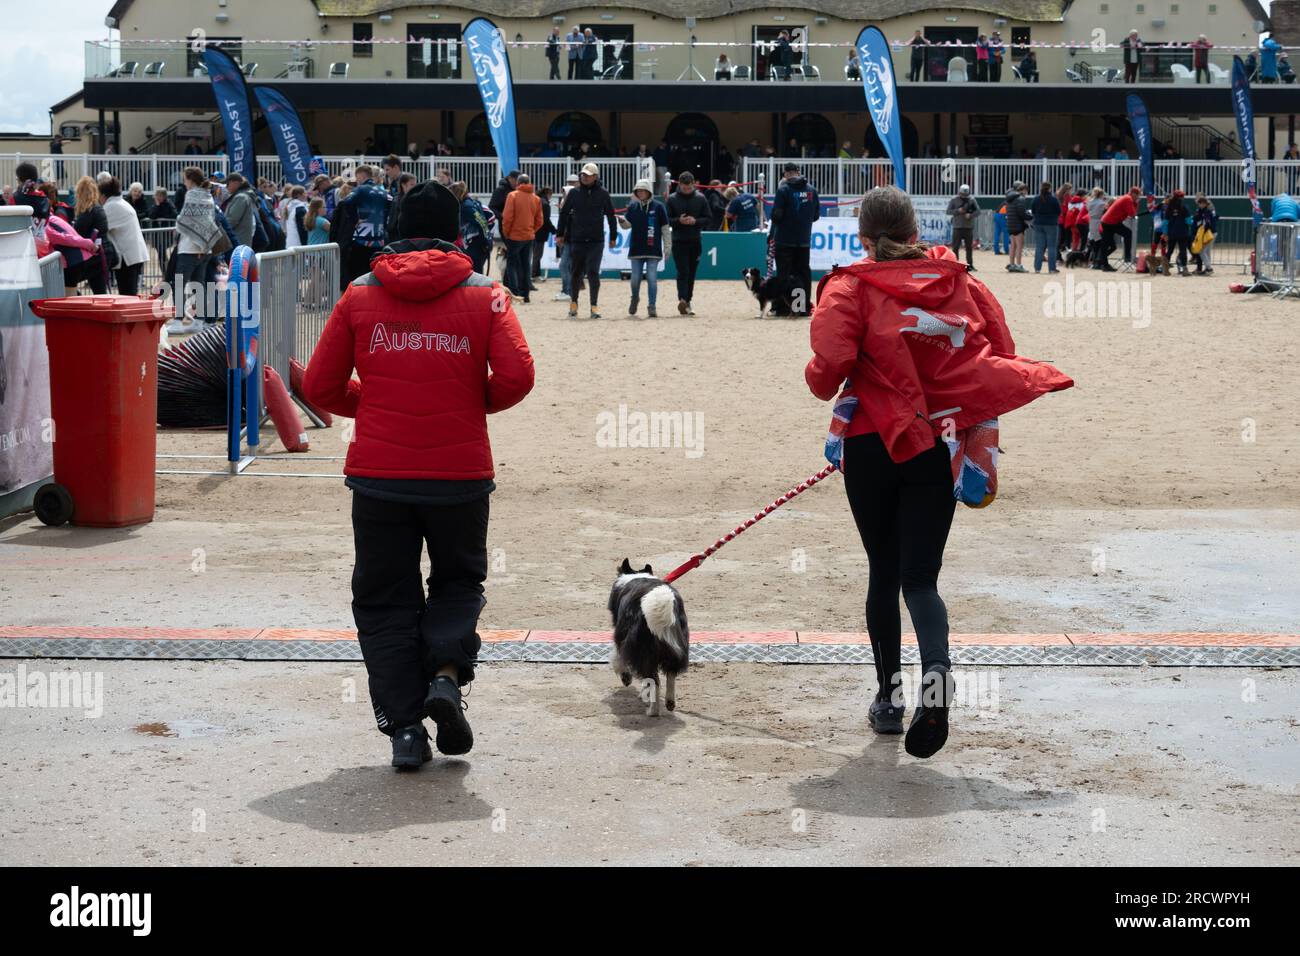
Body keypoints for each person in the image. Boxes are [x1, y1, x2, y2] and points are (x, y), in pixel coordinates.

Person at [804, 185, 1072, 758]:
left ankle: (887, 698)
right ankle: (937, 681)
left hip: (874, 442)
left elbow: (828, 372)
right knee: (920, 577)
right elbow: (999, 348)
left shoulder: (849, 287)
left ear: (864, 237)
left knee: (883, 568)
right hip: (939, 440)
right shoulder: (965, 283)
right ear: (915, 230)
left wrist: (830, 371)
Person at [301, 180, 535, 769]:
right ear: (458, 231)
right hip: (460, 473)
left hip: (380, 473)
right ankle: (447, 678)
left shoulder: (359, 293)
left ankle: (405, 729)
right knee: (458, 583)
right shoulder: (486, 293)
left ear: (394, 227)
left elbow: (321, 386)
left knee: (383, 601)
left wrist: (375, 403)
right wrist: (464, 399)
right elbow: (516, 379)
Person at [555, 162, 617, 319]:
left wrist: (614, 236)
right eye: (583, 174)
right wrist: (560, 233)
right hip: (577, 239)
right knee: (576, 272)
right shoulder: (574, 193)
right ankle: (574, 303)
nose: (584, 177)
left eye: (588, 175)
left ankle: (594, 306)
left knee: (593, 272)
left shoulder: (603, 193)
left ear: (595, 177)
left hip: (596, 240)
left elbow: (611, 215)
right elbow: (563, 213)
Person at [769, 161, 821, 314]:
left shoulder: (783, 190)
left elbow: (777, 216)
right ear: (798, 172)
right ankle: (803, 307)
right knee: (803, 273)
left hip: (784, 239)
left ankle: (784, 308)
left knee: (784, 274)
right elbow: (816, 215)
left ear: (785, 174)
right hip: (804, 239)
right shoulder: (812, 190)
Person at [174, 166, 222, 327]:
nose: (184, 182)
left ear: (191, 179)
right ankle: (199, 321)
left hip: (189, 248)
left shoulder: (192, 194)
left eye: (185, 179)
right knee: (198, 285)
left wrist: (179, 221)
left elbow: (184, 219)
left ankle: (178, 320)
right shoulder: (208, 195)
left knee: (179, 284)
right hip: (204, 248)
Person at [620, 178, 668, 317]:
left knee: (652, 278)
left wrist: (667, 246)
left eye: (642, 190)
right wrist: (622, 221)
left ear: (649, 191)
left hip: (653, 250)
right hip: (636, 249)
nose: (640, 193)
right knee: (635, 278)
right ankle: (635, 298)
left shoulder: (659, 207)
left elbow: (665, 228)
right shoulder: (633, 207)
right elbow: (627, 225)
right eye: (638, 191)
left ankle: (652, 306)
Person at [665, 172, 710, 315]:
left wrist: (695, 221)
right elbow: (666, 220)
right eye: (684, 188)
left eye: (689, 188)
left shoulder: (701, 198)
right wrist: (679, 220)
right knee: (683, 271)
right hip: (678, 241)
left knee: (691, 273)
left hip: (695, 241)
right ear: (679, 184)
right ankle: (683, 300)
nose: (687, 190)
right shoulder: (672, 199)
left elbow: (708, 218)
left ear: (693, 185)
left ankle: (687, 301)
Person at [339, 164, 392, 284]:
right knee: (374, 277)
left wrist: (355, 219)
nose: (357, 182)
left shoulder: (361, 189)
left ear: (362, 176)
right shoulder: (383, 191)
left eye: (357, 179)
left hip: (361, 240)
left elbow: (346, 202)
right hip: (379, 240)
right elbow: (391, 205)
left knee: (358, 277)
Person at [98, 176, 148, 296]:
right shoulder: (121, 203)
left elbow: (98, 228)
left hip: (127, 258)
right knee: (129, 294)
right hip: (132, 256)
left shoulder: (111, 206)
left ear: (104, 195)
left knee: (127, 295)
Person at [502, 173, 543, 302]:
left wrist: (506, 233)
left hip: (514, 236)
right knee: (526, 265)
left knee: (512, 265)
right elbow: (540, 220)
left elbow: (507, 218)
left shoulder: (512, 195)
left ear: (518, 183)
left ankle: (514, 293)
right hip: (529, 236)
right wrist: (531, 230)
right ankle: (526, 295)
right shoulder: (536, 198)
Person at [69, 176, 109, 295]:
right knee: (99, 290)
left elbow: (78, 232)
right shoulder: (96, 209)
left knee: (69, 280)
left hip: (95, 255)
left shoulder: (89, 211)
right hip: (101, 253)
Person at [451, 181, 493, 275]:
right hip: (476, 244)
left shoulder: (467, 206)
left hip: (477, 244)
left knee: (475, 273)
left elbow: (482, 223)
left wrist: (486, 243)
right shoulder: (467, 203)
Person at [1098, 186, 1143, 271]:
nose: (1138, 197)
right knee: (1127, 233)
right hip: (1111, 222)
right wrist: (1136, 203)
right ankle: (1127, 256)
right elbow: (1132, 213)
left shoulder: (1126, 198)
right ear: (1133, 193)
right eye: (1138, 195)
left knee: (1109, 245)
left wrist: (1135, 203)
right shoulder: (1128, 199)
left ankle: (1103, 263)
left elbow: (1132, 213)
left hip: (1108, 222)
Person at [1030, 180, 1061, 274]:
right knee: (1051, 247)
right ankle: (1052, 269)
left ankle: (1037, 268)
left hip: (1038, 223)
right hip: (1051, 224)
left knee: (1039, 247)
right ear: (1050, 189)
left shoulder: (1036, 199)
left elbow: (1033, 211)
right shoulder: (1054, 199)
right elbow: (1059, 211)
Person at [221, 172, 258, 249]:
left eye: (227, 184)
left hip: (238, 242)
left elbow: (231, 220)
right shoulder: (242, 196)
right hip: (241, 241)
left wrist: (219, 232)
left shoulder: (241, 197)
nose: (226, 187)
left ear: (235, 183)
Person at [946, 184, 978, 270]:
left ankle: (969, 265)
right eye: (962, 194)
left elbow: (978, 211)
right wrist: (957, 211)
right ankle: (955, 264)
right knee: (955, 247)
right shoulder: (954, 200)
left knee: (969, 247)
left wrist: (970, 215)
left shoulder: (972, 200)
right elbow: (948, 211)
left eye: (965, 195)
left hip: (968, 227)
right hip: (957, 227)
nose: (964, 196)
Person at [1163, 190, 1192, 276]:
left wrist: (1165, 233)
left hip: (1172, 232)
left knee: (1169, 251)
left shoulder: (1169, 207)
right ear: (1182, 197)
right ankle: (1185, 269)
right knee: (1183, 250)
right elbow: (1189, 221)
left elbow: (1165, 222)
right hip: (1183, 232)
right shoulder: (1185, 207)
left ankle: (1165, 269)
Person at [533, 185, 555, 283]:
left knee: (535, 254)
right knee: (538, 255)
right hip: (540, 232)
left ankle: (534, 274)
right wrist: (555, 231)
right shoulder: (545, 204)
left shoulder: (537, 200)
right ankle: (534, 275)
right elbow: (546, 220)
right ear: (548, 194)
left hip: (533, 231)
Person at [1191, 193, 1217, 276]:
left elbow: (1207, 223)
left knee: (1202, 251)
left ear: (1204, 203)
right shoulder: (1202, 211)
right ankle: (1208, 268)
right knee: (1207, 251)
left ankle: (1209, 268)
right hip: (1211, 232)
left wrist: (1203, 230)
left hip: (1209, 233)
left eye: (1200, 203)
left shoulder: (1206, 211)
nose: (1199, 205)